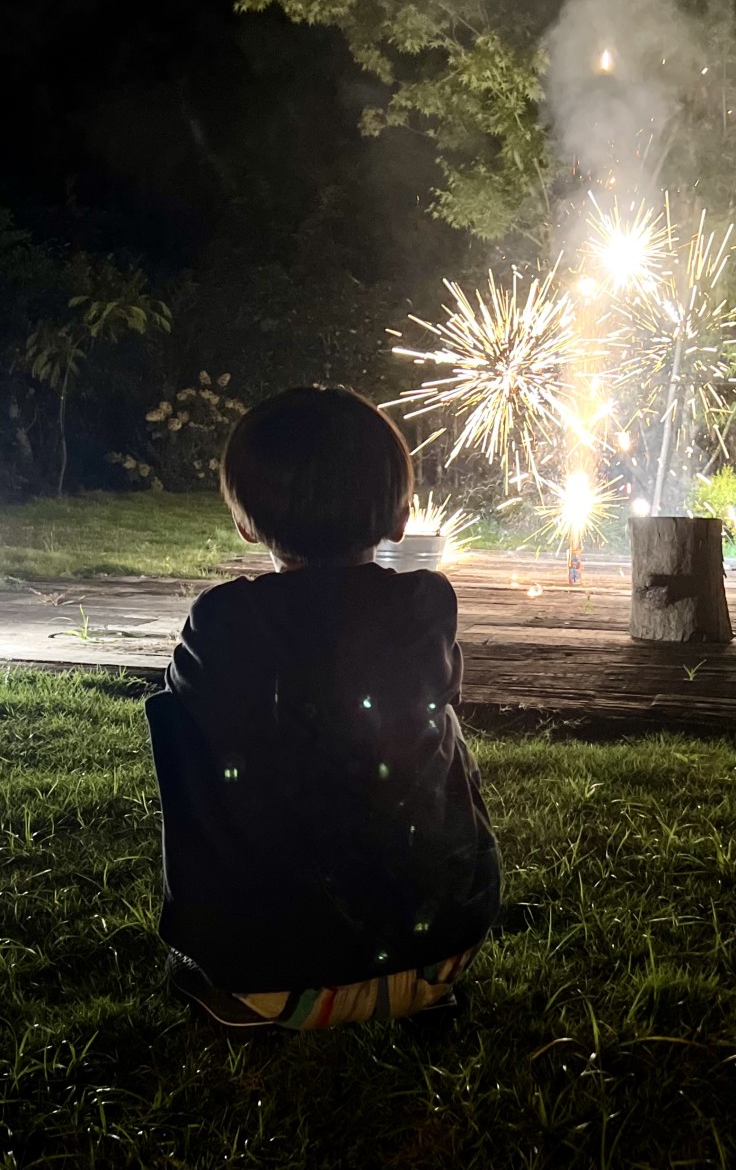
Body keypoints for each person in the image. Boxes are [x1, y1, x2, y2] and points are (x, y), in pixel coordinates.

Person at [145, 386, 501, 1030]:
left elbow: (189, 712)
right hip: (438, 957)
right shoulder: (427, 604)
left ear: (246, 522)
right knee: (432, 716)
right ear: (401, 517)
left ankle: (240, 978)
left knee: (182, 722)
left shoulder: (224, 618)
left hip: (268, 981)